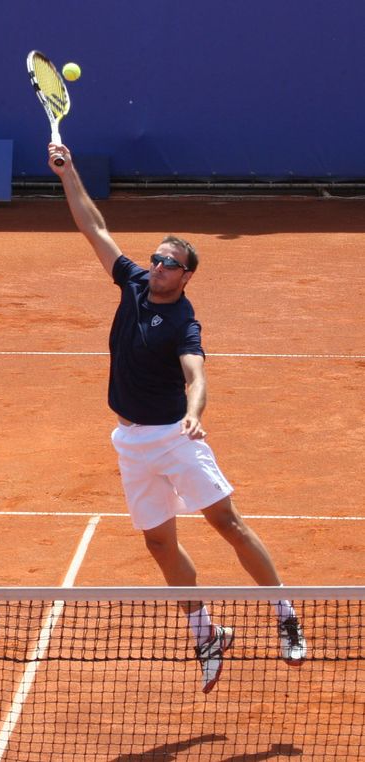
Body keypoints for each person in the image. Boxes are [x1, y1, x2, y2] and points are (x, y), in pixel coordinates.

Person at [48, 144, 306, 693]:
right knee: (158, 544)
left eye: (170, 263)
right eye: (157, 258)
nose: (158, 266)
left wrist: (194, 416)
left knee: (227, 525)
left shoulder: (185, 321)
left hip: (175, 437)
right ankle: (206, 631)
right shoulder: (134, 284)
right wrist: (69, 175)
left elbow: (197, 376)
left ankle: (284, 613)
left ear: (187, 277)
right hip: (130, 440)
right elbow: (93, 227)